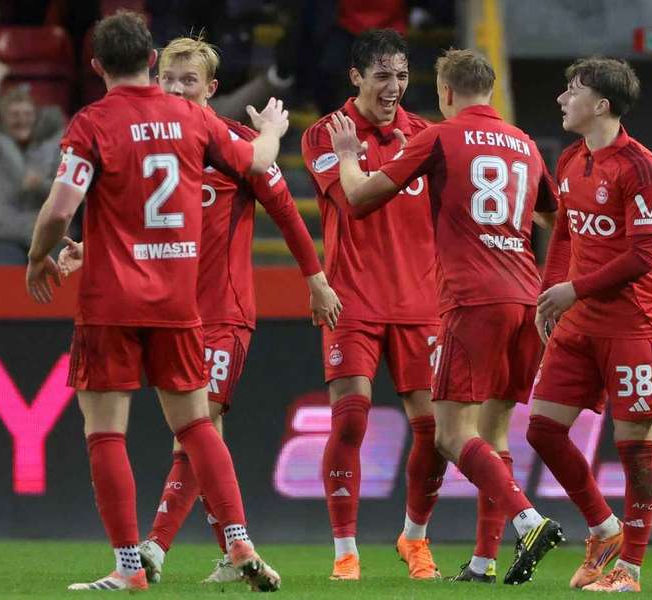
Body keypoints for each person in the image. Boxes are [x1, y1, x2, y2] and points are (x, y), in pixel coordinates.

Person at [58, 33, 342, 584]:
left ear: (211, 88)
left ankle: (156, 549)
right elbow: (136, 221)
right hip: (170, 309)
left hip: (223, 311)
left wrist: (316, 280)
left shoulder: (234, 144)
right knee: (200, 430)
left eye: (189, 81)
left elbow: (287, 212)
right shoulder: (156, 144)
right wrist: (87, 250)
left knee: (197, 424)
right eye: (168, 78)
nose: (177, 89)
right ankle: (231, 551)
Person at [25, 10, 289, 592]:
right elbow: (257, 163)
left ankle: (129, 568)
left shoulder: (93, 123)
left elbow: (60, 210)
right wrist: (271, 131)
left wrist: (39, 255)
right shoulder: (192, 116)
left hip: (110, 304)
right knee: (197, 425)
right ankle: (238, 539)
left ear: (96, 66)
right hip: (177, 302)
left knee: (105, 433)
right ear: (151, 61)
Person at [328, 47, 563, 586]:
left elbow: (359, 198)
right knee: (494, 435)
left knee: (451, 436)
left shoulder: (439, 135)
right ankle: (483, 563)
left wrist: (347, 156)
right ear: (491, 89)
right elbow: (557, 219)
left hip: (472, 299)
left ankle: (527, 520)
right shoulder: (525, 144)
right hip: (527, 299)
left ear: (446, 92)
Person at [300, 28, 447, 581]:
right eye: (382, 75)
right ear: (356, 76)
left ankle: (415, 539)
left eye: (402, 75)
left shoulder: (426, 135)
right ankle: (345, 550)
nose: (394, 87)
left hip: (420, 300)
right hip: (353, 298)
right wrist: (349, 157)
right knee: (351, 418)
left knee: (433, 429)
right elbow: (351, 200)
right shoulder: (325, 134)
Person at [527, 57, 652, 593]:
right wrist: (550, 295)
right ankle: (604, 529)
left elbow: (642, 257)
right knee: (542, 429)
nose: (562, 99)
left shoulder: (643, 170)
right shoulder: (571, 159)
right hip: (578, 324)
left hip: (634, 327)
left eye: (573, 90)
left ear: (602, 105)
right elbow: (565, 234)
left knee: (634, 450)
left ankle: (629, 569)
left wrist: (573, 290)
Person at [0, 61, 66, 264]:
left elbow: (68, 192)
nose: (21, 120)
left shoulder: (55, 145)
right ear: (3, 119)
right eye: (14, 115)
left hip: (48, 236)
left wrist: (41, 186)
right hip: (1, 236)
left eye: (27, 114)